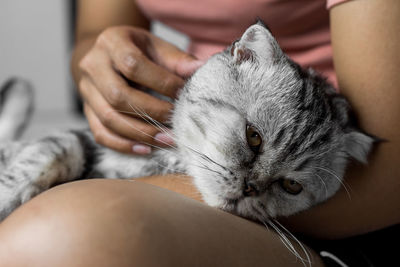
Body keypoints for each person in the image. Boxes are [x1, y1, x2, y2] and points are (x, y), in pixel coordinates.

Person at [0, 0, 398, 266]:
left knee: (53, 237)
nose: (250, 186)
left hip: (341, 215)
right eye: (254, 142)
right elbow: (95, 33)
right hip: (211, 106)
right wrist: (104, 65)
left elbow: (390, 175)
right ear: (241, 54)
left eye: (286, 184)